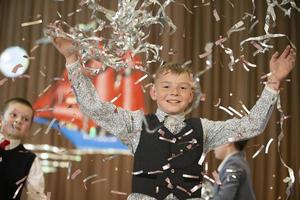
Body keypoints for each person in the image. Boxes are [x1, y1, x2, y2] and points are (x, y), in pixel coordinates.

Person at [52, 37, 295, 200]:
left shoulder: (204, 129)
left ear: (192, 96)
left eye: (182, 88)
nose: (174, 93)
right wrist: (73, 60)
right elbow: (94, 107)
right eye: (167, 86)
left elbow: (251, 124)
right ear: (154, 92)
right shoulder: (136, 124)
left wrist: (274, 82)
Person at [0, 98, 47, 200]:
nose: (19, 121)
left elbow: (37, 197)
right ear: (1, 120)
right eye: (14, 115)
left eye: (25, 119)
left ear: (28, 129)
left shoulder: (29, 160)